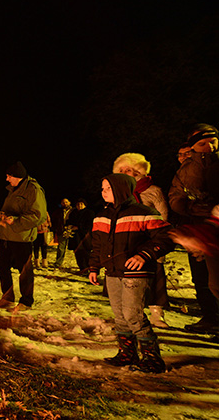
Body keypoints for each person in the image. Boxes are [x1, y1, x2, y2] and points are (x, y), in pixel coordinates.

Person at [88, 173, 173, 373]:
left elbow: (166, 237)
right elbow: (97, 245)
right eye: (102, 188)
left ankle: (152, 357)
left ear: (121, 189)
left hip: (137, 272)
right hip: (112, 271)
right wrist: (94, 267)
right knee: (119, 315)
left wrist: (144, 255)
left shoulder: (144, 213)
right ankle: (127, 353)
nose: (103, 192)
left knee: (132, 314)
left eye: (108, 188)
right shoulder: (101, 216)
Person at [168, 124, 219, 334]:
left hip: (214, 225)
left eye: (212, 142)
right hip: (197, 226)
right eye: (202, 143)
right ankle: (209, 316)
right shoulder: (186, 170)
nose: (208, 147)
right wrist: (189, 206)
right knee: (201, 276)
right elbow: (175, 197)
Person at [113, 152, 171, 328]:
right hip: (128, 241)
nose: (124, 172)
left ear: (138, 171)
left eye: (128, 169)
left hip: (149, 239)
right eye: (121, 170)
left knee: (155, 276)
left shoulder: (153, 191)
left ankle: (156, 313)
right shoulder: (120, 193)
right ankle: (132, 313)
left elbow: (163, 216)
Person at [0, 162, 47, 311]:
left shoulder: (33, 190)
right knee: (2, 267)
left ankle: (26, 301)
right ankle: (7, 298)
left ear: (17, 176)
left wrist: (16, 221)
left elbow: (39, 215)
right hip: (6, 237)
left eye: (8, 176)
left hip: (21, 238)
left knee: (24, 271)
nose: (6, 179)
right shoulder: (13, 190)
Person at [68, 199, 95, 271]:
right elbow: (69, 221)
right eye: (78, 204)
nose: (79, 206)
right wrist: (69, 227)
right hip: (75, 237)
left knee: (86, 253)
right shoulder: (73, 213)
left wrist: (79, 227)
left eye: (81, 204)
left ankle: (88, 267)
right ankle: (82, 268)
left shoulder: (89, 213)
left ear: (85, 205)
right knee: (78, 253)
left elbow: (90, 224)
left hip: (85, 237)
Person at [51, 198, 74, 268]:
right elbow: (54, 220)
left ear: (69, 202)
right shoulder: (58, 212)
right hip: (61, 231)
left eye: (66, 202)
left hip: (72, 231)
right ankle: (58, 262)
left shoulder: (74, 211)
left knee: (76, 248)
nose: (65, 204)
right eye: (63, 202)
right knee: (61, 248)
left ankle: (81, 264)